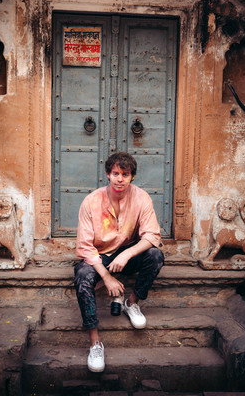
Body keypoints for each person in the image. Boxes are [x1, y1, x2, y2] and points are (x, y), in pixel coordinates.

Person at [74, 152, 164, 372]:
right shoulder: (91, 201)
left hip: (126, 254)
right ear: (108, 174)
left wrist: (126, 254)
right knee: (84, 276)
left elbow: (153, 236)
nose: (120, 179)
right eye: (116, 173)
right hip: (99, 255)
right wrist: (106, 277)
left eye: (125, 174)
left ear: (131, 176)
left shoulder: (141, 198)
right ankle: (95, 341)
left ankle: (131, 303)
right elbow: (85, 247)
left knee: (155, 256)